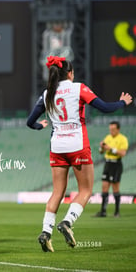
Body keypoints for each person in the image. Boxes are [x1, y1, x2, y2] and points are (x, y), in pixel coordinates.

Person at [27, 56, 132, 253]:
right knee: (85, 191)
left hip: (57, 147)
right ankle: (67, 222)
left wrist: (39, 126)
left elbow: (29, 121)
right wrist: (122, 103)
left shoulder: (46, 93)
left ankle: (45, 232)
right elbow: (105, 108)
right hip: (77, 145)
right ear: (70, 73)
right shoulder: (79, 88)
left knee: (57, 192)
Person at [95, 121, 129, 218]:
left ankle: (117, 212)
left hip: (116, 164)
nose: (111, 131)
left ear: (118, 129)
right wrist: (101, 148)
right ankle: (103, 211)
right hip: (107, 163)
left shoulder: (123, 139)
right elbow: (101, 152)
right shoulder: (108, 137)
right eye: (110, 129)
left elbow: (123, 153)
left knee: (115, 188)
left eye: (113, 129)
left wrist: (110, 148)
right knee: (104, 187)